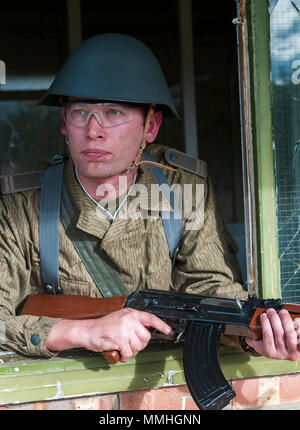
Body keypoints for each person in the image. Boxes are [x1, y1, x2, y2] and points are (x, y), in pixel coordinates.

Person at [0, 33, 299, 364]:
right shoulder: (21, 205)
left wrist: (253, 337)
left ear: (151, 127)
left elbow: (212, 289)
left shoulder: (183, 190)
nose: (93, 130)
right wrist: (81, 332)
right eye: (80, 112)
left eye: (113, 113)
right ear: (64, 124)